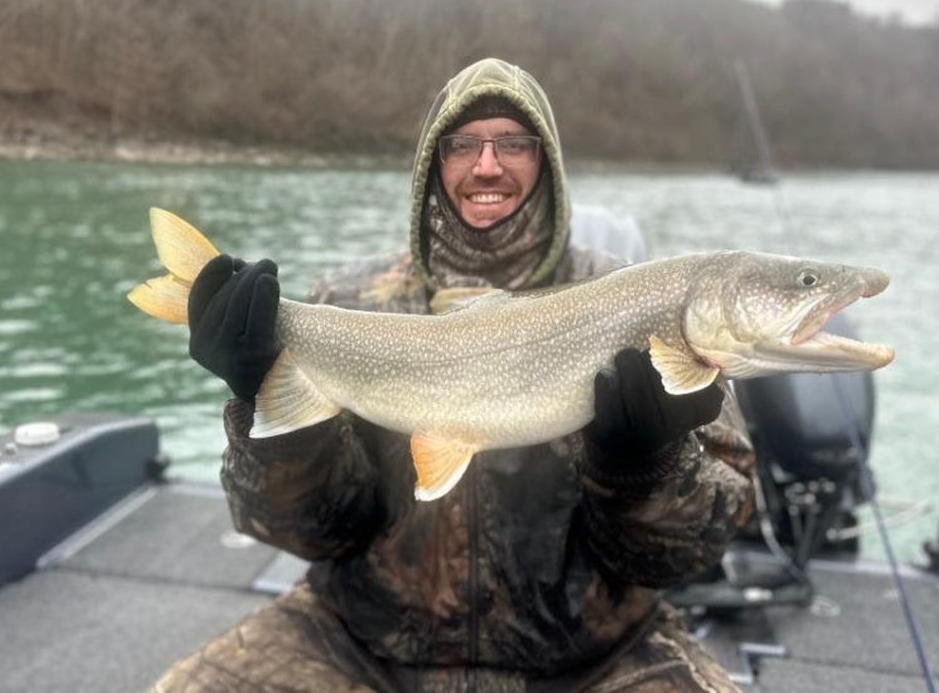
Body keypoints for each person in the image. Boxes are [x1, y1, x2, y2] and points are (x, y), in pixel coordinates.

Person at [152, 58, 755, 693]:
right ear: (432, 166)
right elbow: (310, 533)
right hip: (359, 642)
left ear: (547, 160)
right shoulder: (349, 301)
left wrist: (643, 465)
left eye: (514, 143)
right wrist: (265, 405)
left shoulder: (640, 296)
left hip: (595, 656)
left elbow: (688, 554)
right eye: (462, 145)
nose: (487, 165)